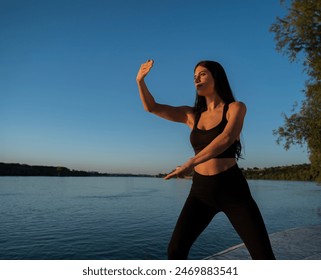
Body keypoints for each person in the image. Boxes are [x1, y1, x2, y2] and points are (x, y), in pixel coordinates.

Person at [136, 59, 275, 260]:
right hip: (201, 191)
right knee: (175, 251)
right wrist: (140, 80)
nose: (196, 79)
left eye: (202, 74)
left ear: (216, 76)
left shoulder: (235, 108)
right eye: (194, 76)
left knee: (263, 257)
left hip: (232, 190)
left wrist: (190, 163)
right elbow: (152, 107)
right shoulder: (191, 115)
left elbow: (226, 138)